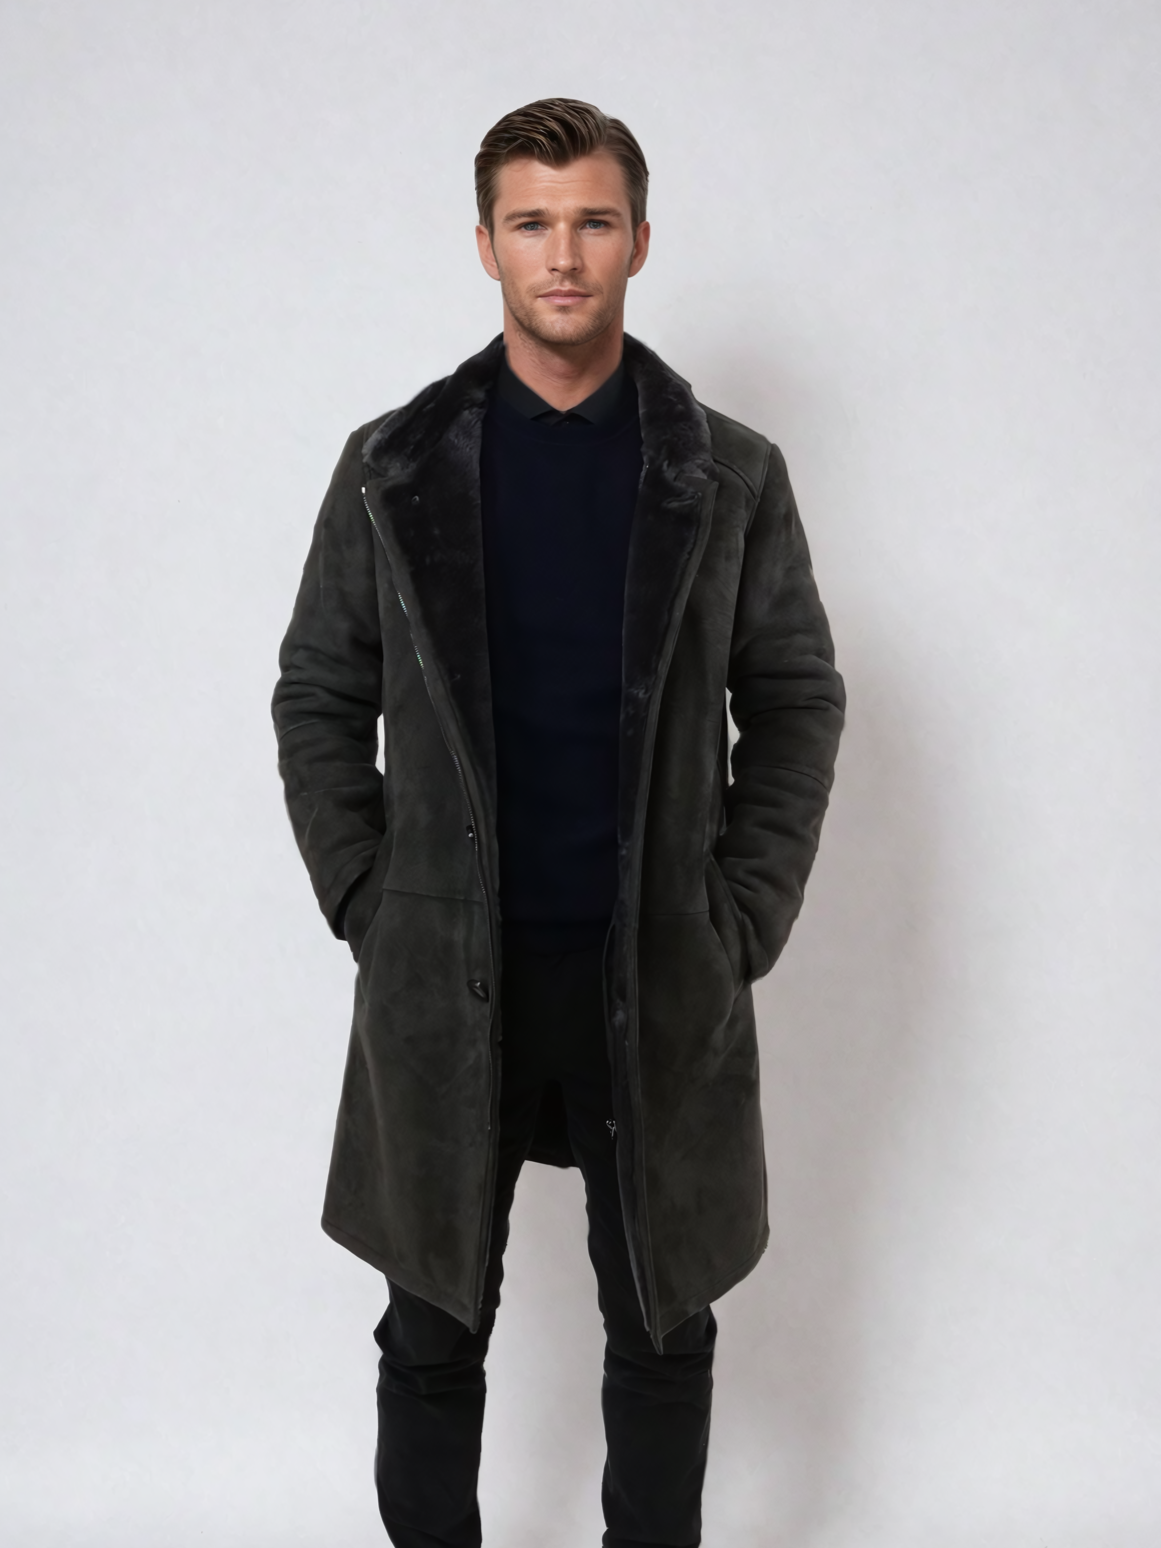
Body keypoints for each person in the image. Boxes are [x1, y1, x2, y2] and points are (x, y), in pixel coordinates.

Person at [272, 97, 844, 1548]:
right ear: (487, 246)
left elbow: (795, 696)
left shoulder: (729, 474)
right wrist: (367, 894)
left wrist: (741, 912)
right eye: (533, 223)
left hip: (652, 966)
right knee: (429, 1329)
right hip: (444, 972)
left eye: (593, 221)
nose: (565, 255)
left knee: (663, 1326)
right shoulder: (391, 468)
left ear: (640, 240)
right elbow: (319, 691)